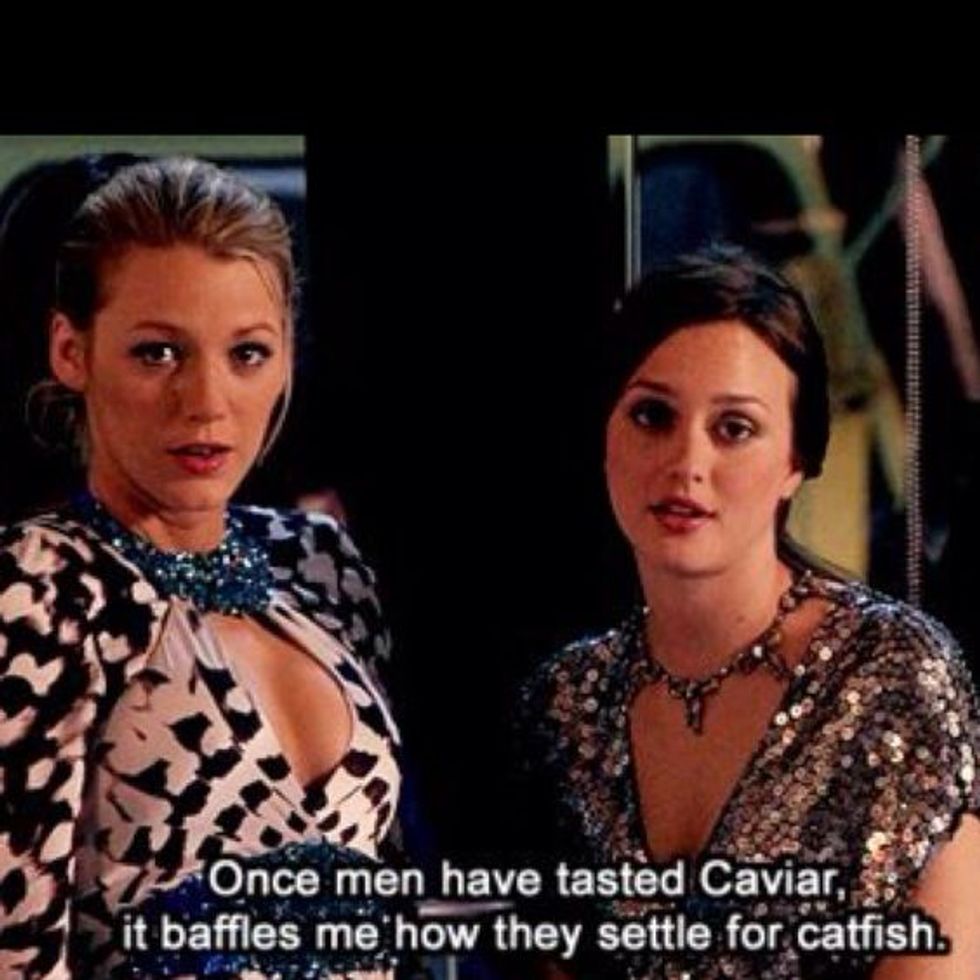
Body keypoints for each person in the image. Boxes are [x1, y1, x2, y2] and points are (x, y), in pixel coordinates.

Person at [518, 244, 980, 979]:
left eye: (734, 428)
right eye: (652, 416)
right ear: (604, 435)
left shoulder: (894, 673)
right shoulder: (567, 703)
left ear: (797, 459)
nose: (687, 464)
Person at [0, 156, 400, 979]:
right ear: (71, 351)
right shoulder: (38, 588)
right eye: (157, 353)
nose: (208, 402)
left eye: (247, 354)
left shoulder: (320, 565)